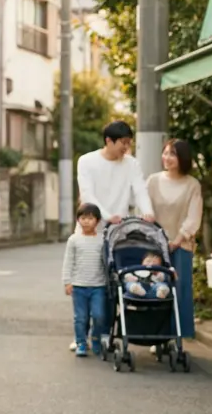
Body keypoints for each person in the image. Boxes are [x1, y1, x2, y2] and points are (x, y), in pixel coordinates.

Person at [72, 120, 154, 351]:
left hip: (119, 233)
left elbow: (140, 189)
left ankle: (102, 334)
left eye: (129, 143)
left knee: (111, 286)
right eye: (123, 143)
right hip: (90, 229)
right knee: (86, 284)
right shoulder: (87, 161)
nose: (126, 148)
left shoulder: (131, 164)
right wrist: (107, 216)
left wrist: (148, 212)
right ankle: (81, 336)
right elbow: (87, 195)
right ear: (109, 141)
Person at [147, 138, 202, 338]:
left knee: (180, 289)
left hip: (182, 245)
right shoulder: (152, 181)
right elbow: (145, 212)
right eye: (165, 153)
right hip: (154, 245)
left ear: (183, 158)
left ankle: (179, 336)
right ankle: (157, 335)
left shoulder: (192, 184)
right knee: (155, 288)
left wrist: (178, 240)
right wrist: (159, 240)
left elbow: (193, 216)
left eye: (172, 154)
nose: (167, 157)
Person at [62, 203, 108, 357]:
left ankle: (95, 339)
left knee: (99, 315)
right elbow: (68, 262)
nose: (86, 221)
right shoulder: (73, 240)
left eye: (90, 218)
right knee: (81, 317)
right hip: (79, 286)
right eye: (83, 218)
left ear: (97, 221)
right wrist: (67, 282)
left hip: (98, 286)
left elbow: (106, 262)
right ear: (78, 220)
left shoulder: (102, 240)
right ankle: (81, 343)